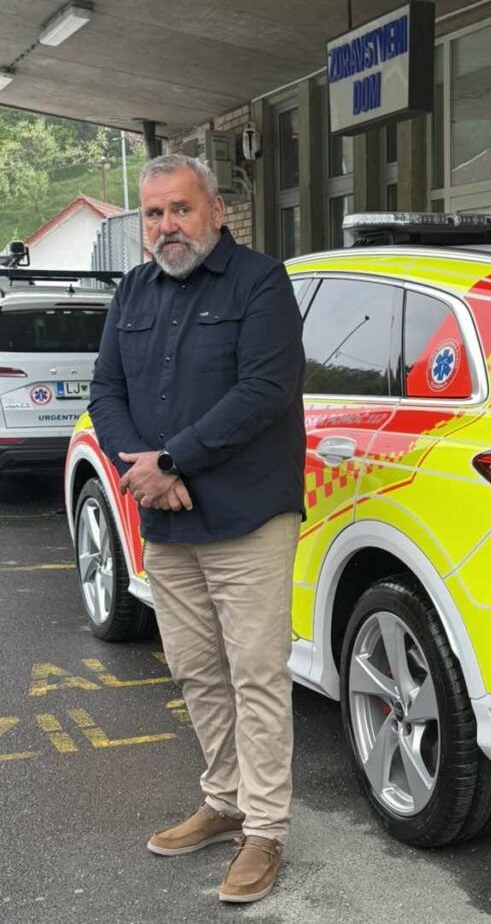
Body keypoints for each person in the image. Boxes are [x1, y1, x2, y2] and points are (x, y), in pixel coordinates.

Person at [89, 153, 306, 904]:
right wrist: (142, 468)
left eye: (180, 209)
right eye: (153, 214)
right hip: (167, 522)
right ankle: (225, 799)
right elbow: (106, 390)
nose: (167, 226)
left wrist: (176, 458)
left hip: (247, 516)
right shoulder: (134, 291)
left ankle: (267, 829)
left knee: (256, 674)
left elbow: (266, 390)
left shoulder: (260, 284)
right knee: (195, 670)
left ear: (215, 210)